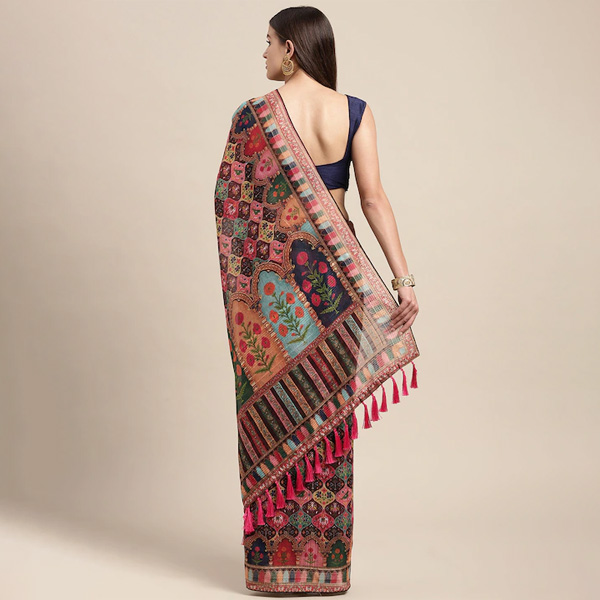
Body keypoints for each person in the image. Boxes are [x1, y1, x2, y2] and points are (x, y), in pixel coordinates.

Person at [213, 6, 420, 594]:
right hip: (333, 286)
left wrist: (257, 276)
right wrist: (403, 280)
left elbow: (230, 208)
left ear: (291, 49)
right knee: (330, 423)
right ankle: (327, 567)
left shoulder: (254, 116)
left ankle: (272, 566)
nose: (263, 53)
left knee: (279, 417)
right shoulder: (354, 111)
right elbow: (373, 200)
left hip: (273, 291)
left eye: (269, 42)